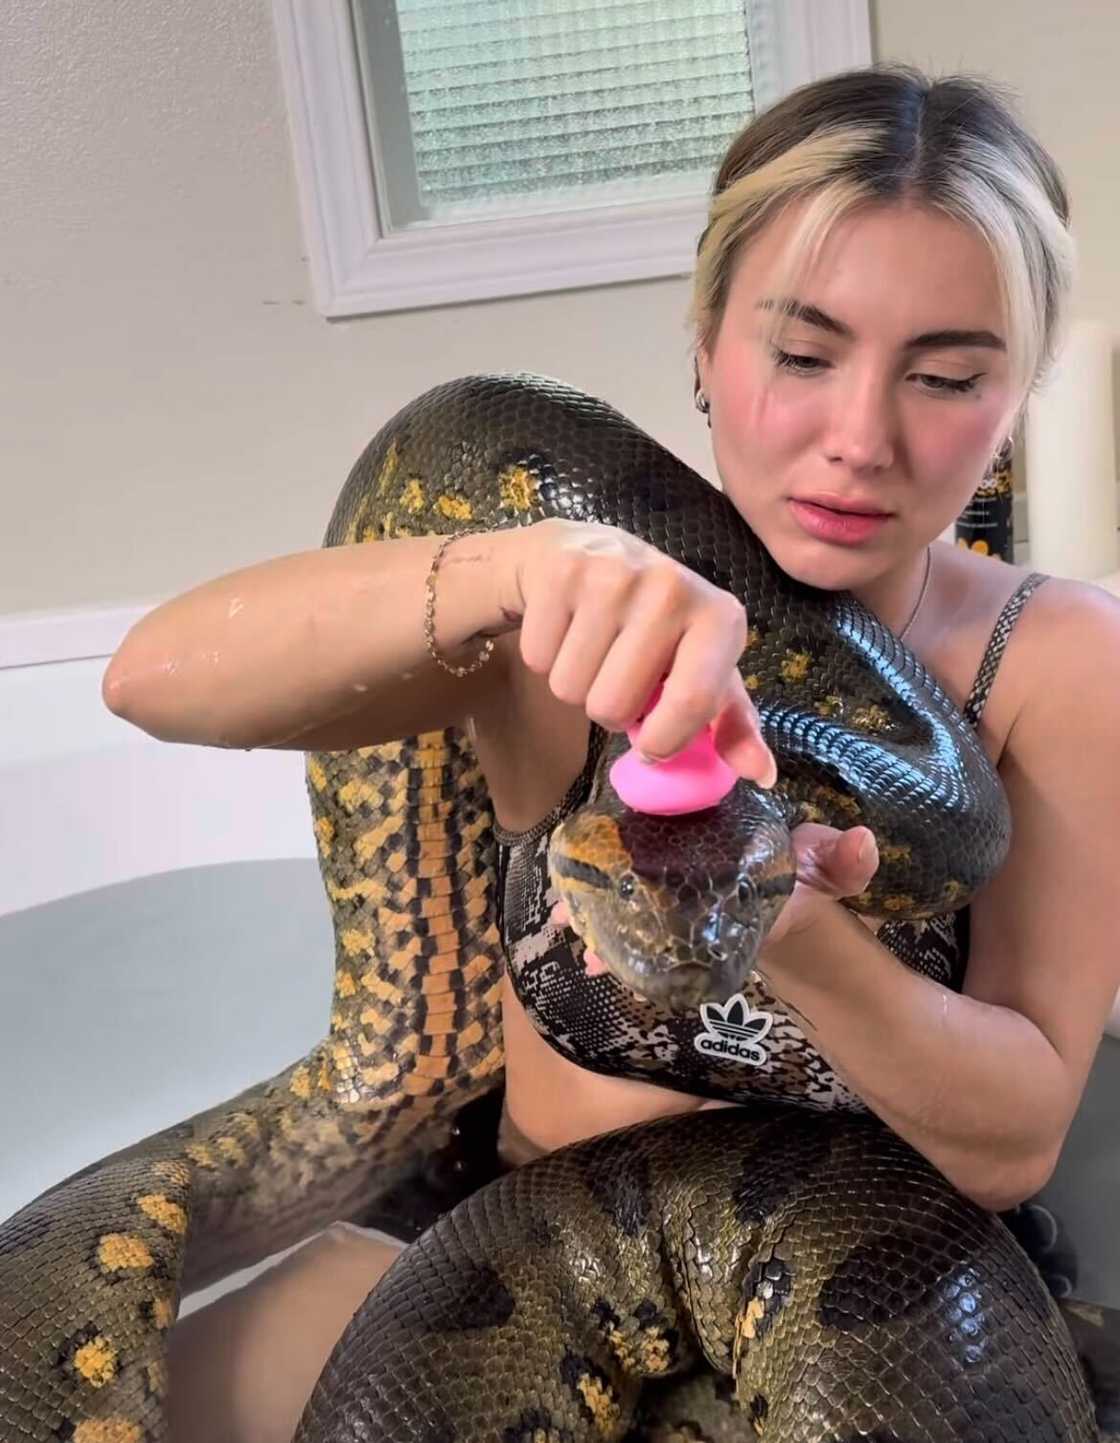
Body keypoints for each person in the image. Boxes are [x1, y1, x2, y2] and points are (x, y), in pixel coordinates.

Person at [101, 63, 1120, 1443]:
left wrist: (793, 928)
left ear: (1015, 396)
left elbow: (1012, 1138)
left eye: (945, 376)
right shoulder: (565, 615)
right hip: (491, 1244)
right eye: (803, 355)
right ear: (704, 348)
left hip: (889, 1289)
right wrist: (510, 566)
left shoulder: (1061, 664)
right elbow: (152, 681)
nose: (859, 439)